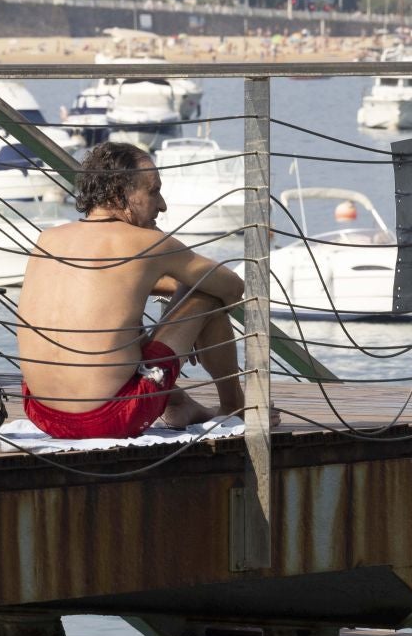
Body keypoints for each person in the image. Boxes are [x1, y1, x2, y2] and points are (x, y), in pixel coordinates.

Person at [15, 141, 246, 439]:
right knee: (204, 291)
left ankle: (178, 403)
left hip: (41, 413)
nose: (162, 205)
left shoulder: (47, 238)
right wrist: (187, 315)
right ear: (118, 194)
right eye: (153, 191)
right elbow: (231, 286)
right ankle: (234, 406)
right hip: (109, 418)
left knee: (120, 319)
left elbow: (106, 289)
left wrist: (164, 296)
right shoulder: (147, 243)